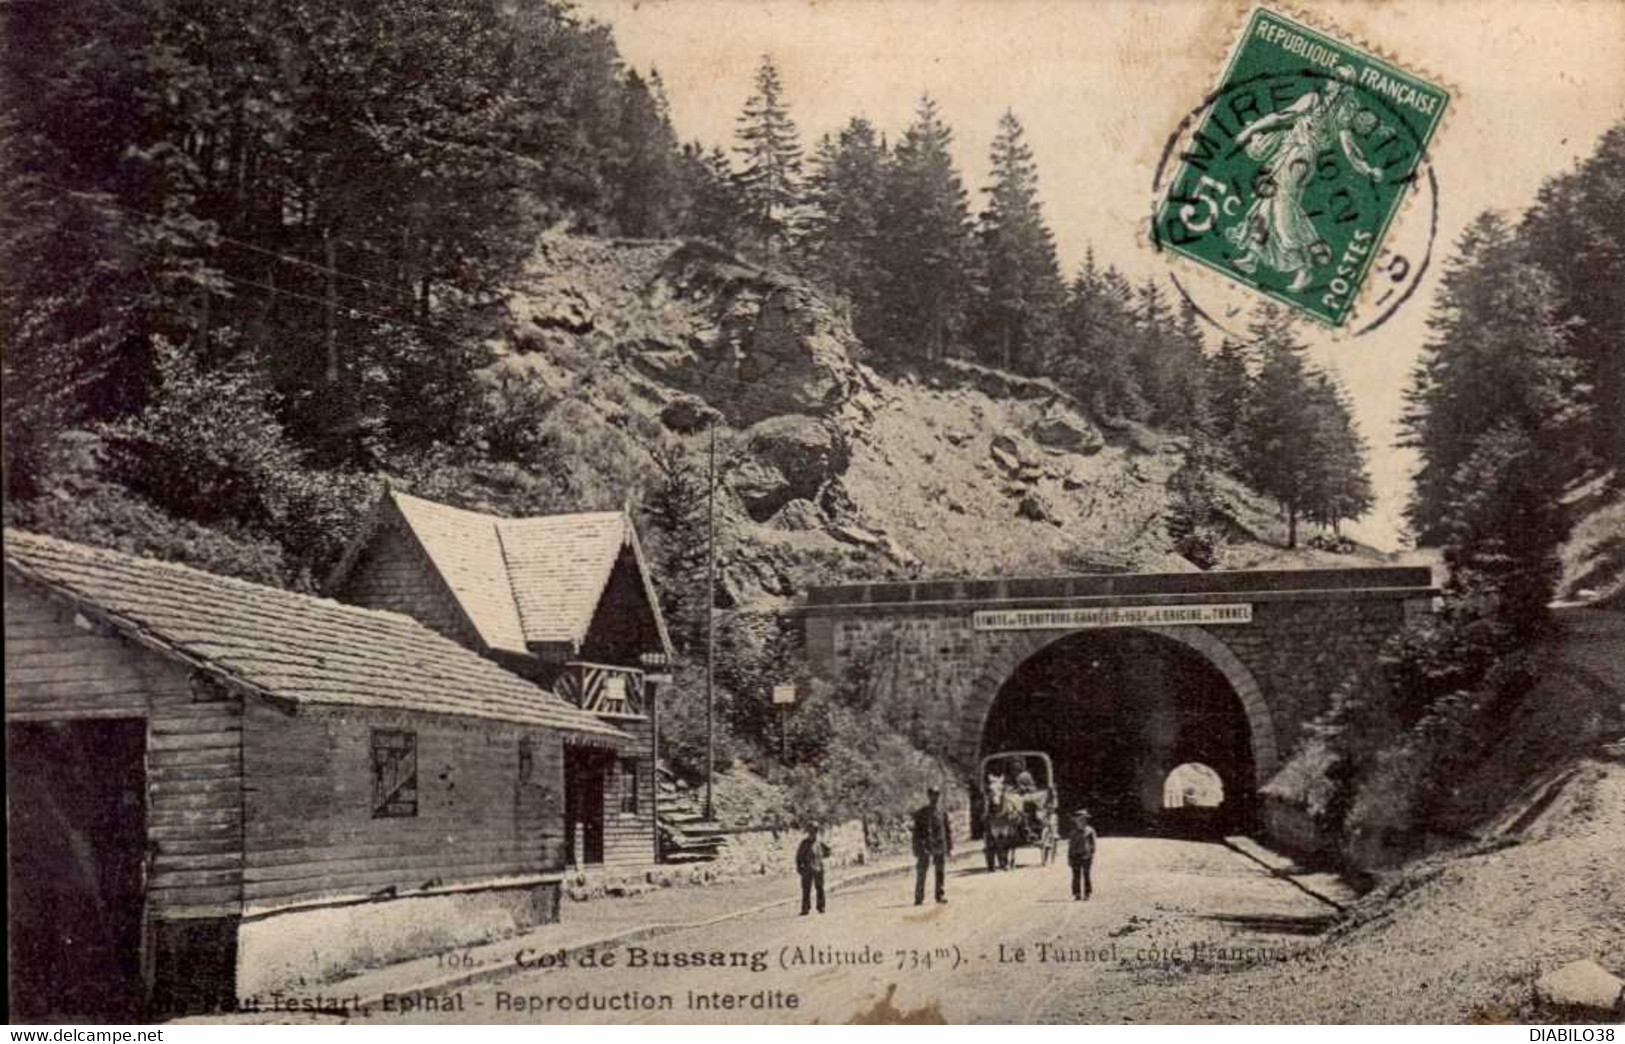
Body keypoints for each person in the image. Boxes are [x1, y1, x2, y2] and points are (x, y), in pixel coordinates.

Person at [1225, 65, 1384, 293]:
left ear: (1343, 85)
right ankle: (1252, 257)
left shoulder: (1337, 110)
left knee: (1283, 210)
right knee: (1265, 205)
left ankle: (1304, 267)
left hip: (1300, 159)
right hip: (1289, 153)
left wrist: (1366, 169)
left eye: (1335, 77)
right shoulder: (1315, 99)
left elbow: (1349, 146)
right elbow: (1281, 116)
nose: (1329, 78)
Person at [912, 786, 953, 905]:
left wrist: (949, 846)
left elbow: (947, 830)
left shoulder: (942, 812)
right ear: (928, 796)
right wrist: (916, 847)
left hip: (939, 844)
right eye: (932, 795)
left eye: (937, 795)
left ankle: (939, 895)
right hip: (925, 845)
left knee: (940, 871)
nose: (934, 797)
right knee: (921, 871)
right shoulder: (921, 813)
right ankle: (919, 897)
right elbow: (916, 833)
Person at [795, 823, 830, 915]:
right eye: (811, 831)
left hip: (818, 868)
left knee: (820, 888)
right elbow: (798, 856)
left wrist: (820, 858)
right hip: (807, 869)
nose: (813, 833)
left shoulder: (820, 843)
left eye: (814, 831)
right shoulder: (804, 843)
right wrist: (799, 867)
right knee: (806, 889)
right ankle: (805, 908)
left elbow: (828, 851)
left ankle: (821, 907)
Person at [1067, 808, 1098, 900]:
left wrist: (1091, 854)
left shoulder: (1090, 831)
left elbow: (1093, 844)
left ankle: (1087, 893)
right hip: (1075, 856)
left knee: (1086, 875)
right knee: (1076, 876)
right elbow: (1070, 846)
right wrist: (1069, 858)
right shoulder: (1073, 832)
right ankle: (1077, 893)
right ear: (1076, 821)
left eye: (1084, 820)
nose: (1082, 822)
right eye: (1080, 820)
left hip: (1086, 856)